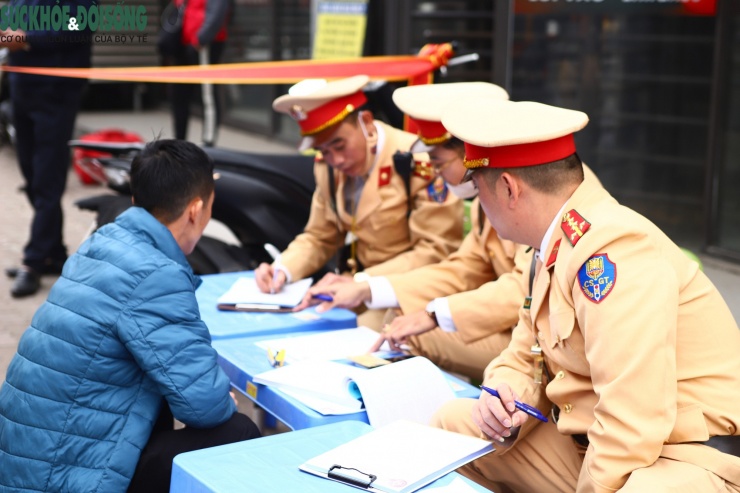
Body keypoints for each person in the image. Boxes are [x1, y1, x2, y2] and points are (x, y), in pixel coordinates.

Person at [431, 97, 740, 493]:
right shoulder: (550, 246)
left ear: (509, 188)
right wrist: (506, 396)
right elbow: (524, 354)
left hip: (683, 458)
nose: (479, 203)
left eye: (479, 188)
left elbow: (631, 420)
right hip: (596, 442)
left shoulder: (613, 251)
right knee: (453, 428)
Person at [0, 140, 261, 493]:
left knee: (161, 401)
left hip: (25, 459)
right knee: (238, 431)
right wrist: (219, 399)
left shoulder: (102, 242)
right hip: (64, 476)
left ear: (137, 200)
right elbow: (204, 405)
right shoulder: (156, 274)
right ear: (196, 210)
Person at [307, 81, 531, 380]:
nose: (434, 173)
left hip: (538, 341)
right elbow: (465, 267)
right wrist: (367, 287)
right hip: (518, 327)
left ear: (470, 154)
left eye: (438, 163)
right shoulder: (489, 188)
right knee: (399, 323)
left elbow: (525, 287)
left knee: (402, 330)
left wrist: (435, 314)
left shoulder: (524, 188)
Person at [255, 75, 464, 329]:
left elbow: (435, 251)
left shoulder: (420, 161)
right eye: (324, 152)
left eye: (339, 145)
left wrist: (364, 282)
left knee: (347, 342)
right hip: (352, 286)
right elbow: (320, 236)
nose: (336, 160)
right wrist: (282, 270)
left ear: (366, 123)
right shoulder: (328, 168)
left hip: (405, 293)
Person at [2, 0, 92, 297]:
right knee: (30, 173)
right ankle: (53, 253)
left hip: (56, 89)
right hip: (21, 85)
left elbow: (79, 26)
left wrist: (26, 38)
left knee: (47, 177)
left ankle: (34, 260)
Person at [170, 0, 229, 146]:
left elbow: (218, 13)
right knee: (179, 94)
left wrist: (200, 39)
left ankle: (208, 142)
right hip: (183, 42)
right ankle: (179, 141)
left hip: (204, 44)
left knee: (207, 93)